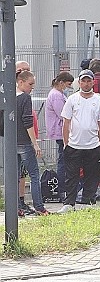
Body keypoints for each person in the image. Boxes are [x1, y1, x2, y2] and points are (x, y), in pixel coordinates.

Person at [58, 69, 100, 213]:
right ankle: (69, 203)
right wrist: (66, 143)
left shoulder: (98, 100)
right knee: (71, 175)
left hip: (93, 145)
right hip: (74, 144)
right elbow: (66, 122)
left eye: (88, 81)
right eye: (83, 81)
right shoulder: (72, 99)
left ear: (93, 82)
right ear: (79, 82)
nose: (86, 84)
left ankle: (88, 201)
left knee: (91, 175)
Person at [16, 70, 49, 216]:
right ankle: (39, 207)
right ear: (20, 82)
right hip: (24, 141)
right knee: (34, 175)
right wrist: (34, 143)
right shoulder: (25, 98)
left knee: (15, 176)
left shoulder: (9, 97)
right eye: (30, 84)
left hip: (11, 141)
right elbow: (28, 121)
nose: (32, 87)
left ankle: (17, 207)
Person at [45, 71, 74, 202]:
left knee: (65, 160)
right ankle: (63, 189)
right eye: (68, 84)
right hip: (61, 131)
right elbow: (63, 114)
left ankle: (65, 189)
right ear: (61, 82)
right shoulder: (57, 96)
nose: (68, 87)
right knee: (64, 161)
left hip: (60, 131)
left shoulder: (58, 94)